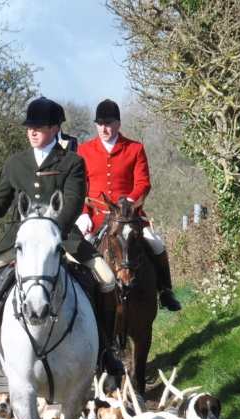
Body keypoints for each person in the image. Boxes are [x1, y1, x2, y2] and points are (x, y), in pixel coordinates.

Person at [0, 97, 126, 380]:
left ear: (54, 128)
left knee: (107, 279)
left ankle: (107, 350)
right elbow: (0, 204)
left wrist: (53, 234)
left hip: (61, 236)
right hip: (18, 239)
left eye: (38, 127)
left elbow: (72, 202)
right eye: (29, 128)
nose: (32, 132)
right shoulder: (15, 163)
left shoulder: (72, 161)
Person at [76, 99, 182, 312]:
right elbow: (78, 187)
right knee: (77, 252)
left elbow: (143, 183)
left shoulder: (135, 148)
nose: (103, 129)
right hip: (96, 216)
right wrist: (83, 213)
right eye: (100, 124)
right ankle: (79, 299)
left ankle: (166, 291)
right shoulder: (84, 150)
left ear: (118, 124)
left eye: (108, 123)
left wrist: (129, 203)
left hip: (130, 215)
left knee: (156, 243)